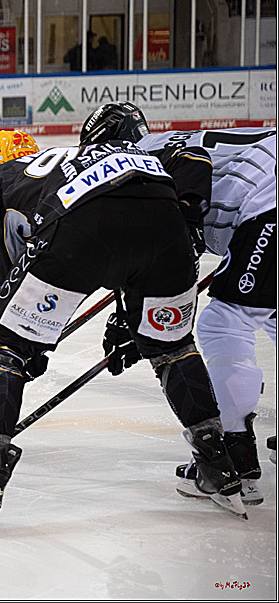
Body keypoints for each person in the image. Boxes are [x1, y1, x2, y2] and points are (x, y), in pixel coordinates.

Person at [0, 123, 247, 536]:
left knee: (0, 347)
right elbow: (187, 163)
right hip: (168, 226)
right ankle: (218, 464)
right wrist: (131, 316)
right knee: (171, 346)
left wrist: (24, 346)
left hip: (83, 228)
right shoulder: (86, 157)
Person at [92, 108, 277, 506]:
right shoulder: (171, 141)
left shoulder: (136, 158)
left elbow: (166, 242)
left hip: (268, 202)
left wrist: (134, 318)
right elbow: (178, 242)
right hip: (262, 201)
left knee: (224, 324)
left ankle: (236, 456)